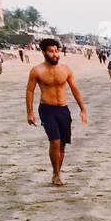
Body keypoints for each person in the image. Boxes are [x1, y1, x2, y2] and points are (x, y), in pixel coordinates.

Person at [25, 38, 88, 186]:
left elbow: (74, 89)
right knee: (55, 141)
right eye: (51, 51)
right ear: (44, 53)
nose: (54, 54)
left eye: (56, 51)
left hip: (63, 110)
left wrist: (83, 108)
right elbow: (30, 91)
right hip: (47, 109)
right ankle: (56, 174)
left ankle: (57, 171)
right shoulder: (37, 71)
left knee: (62, 144)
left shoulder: (65, 69)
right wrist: (30, 112)